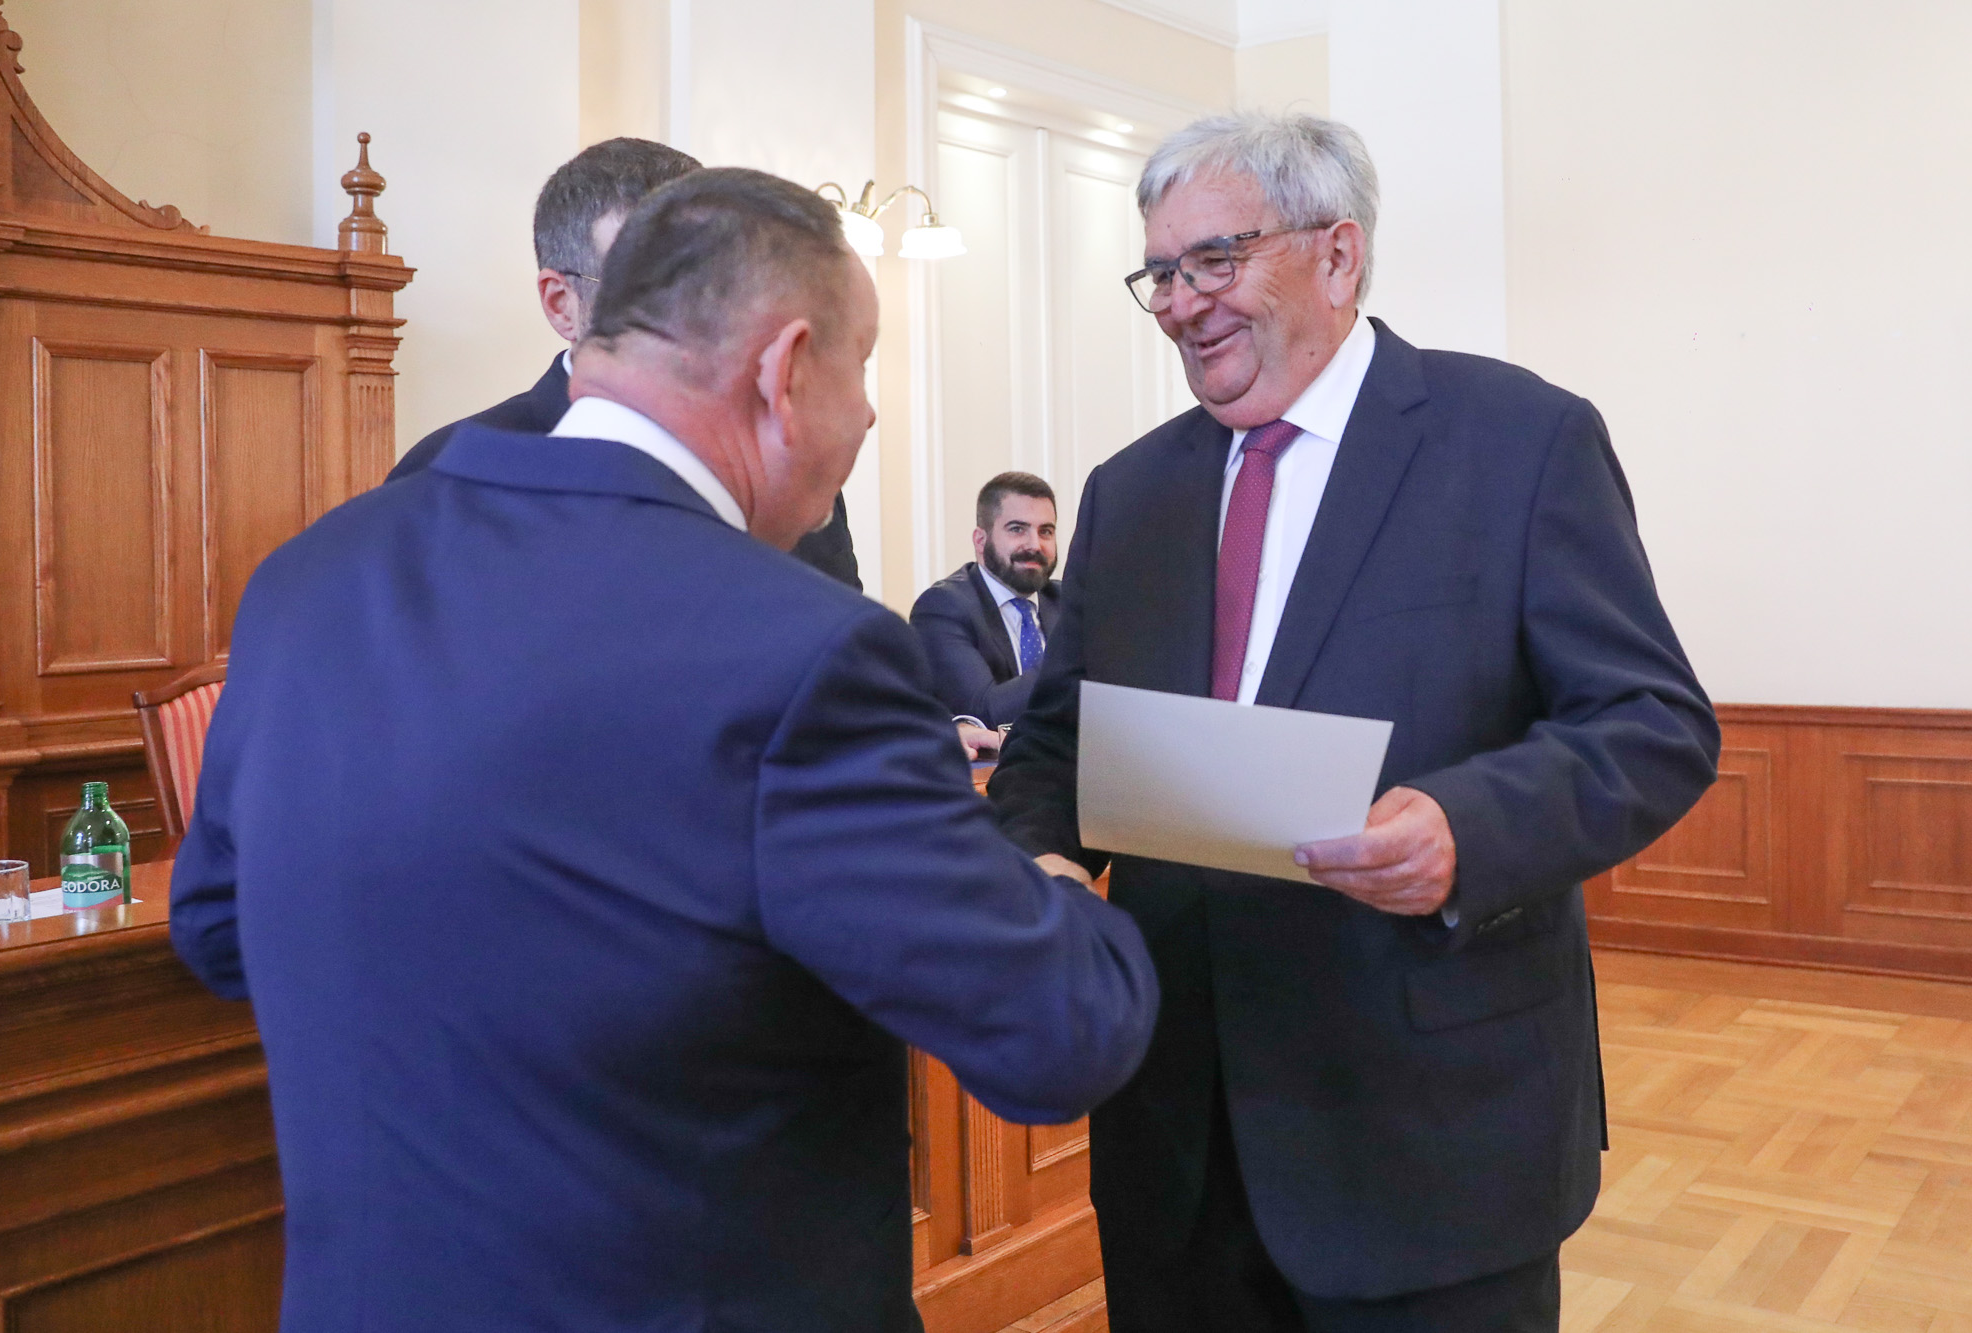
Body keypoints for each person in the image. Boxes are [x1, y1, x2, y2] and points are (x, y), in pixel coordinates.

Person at [171, 167, 1157, 1333]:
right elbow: (1057, 1032)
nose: (869, 416)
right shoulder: (807, 652)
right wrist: (1051, 873)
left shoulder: (308, 578)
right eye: (863, 367)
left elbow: (219, 927)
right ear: (785, 370)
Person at [989, 111, 1720, 1331]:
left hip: (1428, 1137)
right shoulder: (1129, 491)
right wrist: (1043, 862)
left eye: (1212, 260)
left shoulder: (1519, 441)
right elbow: (1054, 748)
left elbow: (1650, 723)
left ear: (1336, 255)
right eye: (1159, 273)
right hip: (1177, 1145)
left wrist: (1464, 829)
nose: (1178, 304)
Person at [384, 136, 863, 589]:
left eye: (712, 280)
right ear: (561, 304)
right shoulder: (446, 474)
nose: (693, 311)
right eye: (647, 285)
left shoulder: (784, 460)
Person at [910, 471, 1063, 729]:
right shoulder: (942, 607)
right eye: (1017, 529)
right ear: (980, 541)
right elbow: (983, 713)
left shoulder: (1066, 600)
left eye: (1045, 531)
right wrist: (1072, 660)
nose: (1035, 545)